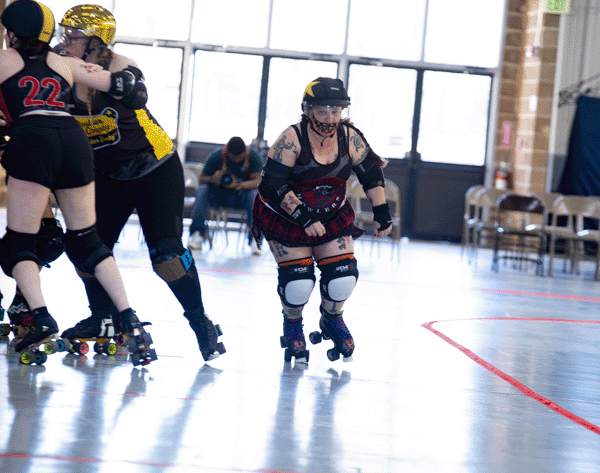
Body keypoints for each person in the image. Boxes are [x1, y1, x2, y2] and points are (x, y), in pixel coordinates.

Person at [55, 4, 225, 362]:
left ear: (96, 41)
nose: (65, 41)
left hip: (154, 168)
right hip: (108, 174)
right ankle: (103, 318)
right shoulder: (61, 65)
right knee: (86, 248)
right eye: (63, 34)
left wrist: (96, 76)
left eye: (73, 36)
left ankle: (201, 322)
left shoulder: (120, 64)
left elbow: (135, 91)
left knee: (167, 256)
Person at [0, 0, 156, 364]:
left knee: (19, 244)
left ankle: (40, 317)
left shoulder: (4, 60)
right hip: (73, 140)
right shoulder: (65, 63)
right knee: (87, 241)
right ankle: (129, 319)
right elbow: (131, 90)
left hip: (32, 138)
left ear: (10, 34)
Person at [252, 77, 392, 363]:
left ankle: (332, 318)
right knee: (298, 283)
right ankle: (293, 325)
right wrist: (302, 216)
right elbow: (271, 184)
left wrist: (381, 211)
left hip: (330, 213)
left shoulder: (350, 137)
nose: (329, 118)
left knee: (343, 277)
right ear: (308, 110)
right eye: (322, 111)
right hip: (286, 214)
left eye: (335, 111)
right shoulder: (292, 138)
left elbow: (370, 174)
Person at [188, 136, 263, 255]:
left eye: (239, 157)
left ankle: (255, 238)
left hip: (242, 197)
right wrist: (213, 179)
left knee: (255, 195)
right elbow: (201, 179)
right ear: (228, 152)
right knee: (202, 190)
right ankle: (197, 234)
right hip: (219, 196)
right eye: (233, 157)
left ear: (245, 152)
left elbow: (259, 182)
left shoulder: (253, 157)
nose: (236, 160)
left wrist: (238, 185)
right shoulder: (217, 156)